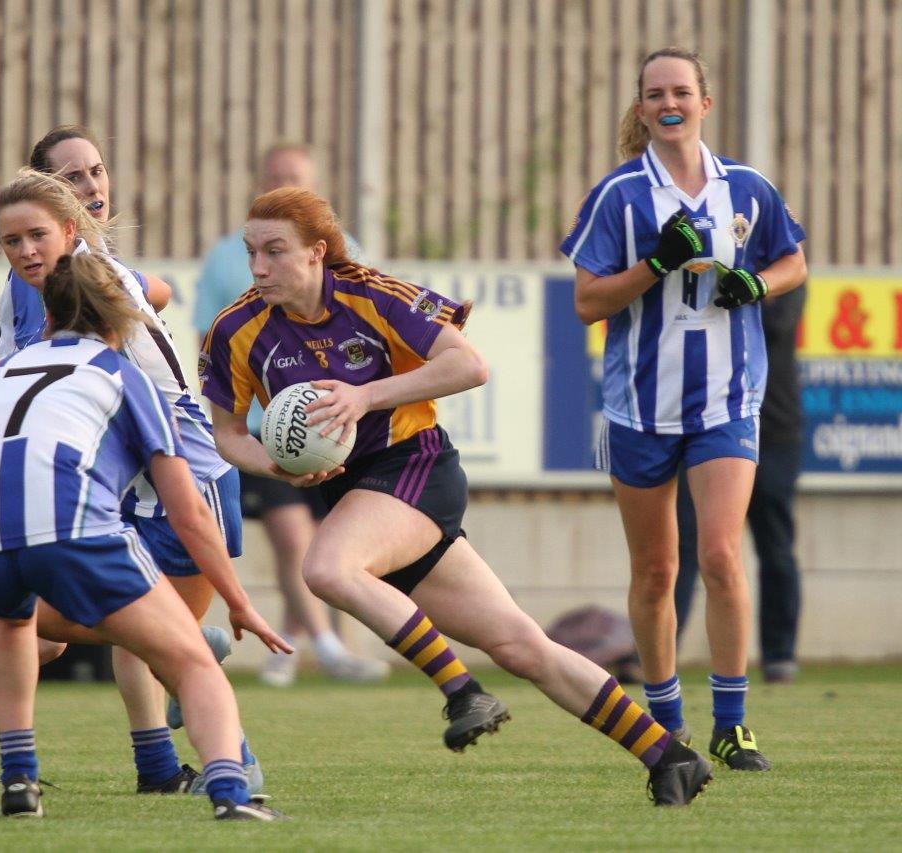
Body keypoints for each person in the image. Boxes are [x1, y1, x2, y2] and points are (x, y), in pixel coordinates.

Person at [201, 186, 712, 806]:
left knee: (327, 568)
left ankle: (462, 691)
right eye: (252, 251)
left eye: (275, 251)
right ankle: (669, 756)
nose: (258, 267)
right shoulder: (238, 329)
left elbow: (468, 366)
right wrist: (276, 467)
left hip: (415, 467)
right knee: (523, 646)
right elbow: (228, 433)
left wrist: (366, 395)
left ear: (317, 251)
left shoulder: (371, 293)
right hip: (359, 498)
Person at [0, 142, 264, 797]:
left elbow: (73, 347)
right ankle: (230, 780)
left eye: (95, 171)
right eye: (71, 177)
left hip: (169, 460)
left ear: (65, 225)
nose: (90, 186)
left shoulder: (88, 276)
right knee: (156, 639)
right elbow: (32, 371)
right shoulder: (46, 280)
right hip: (122, 465)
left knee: (79, 628)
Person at [560, 47, 807, 771]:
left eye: (680, 91)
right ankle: (666, 722)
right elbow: (586, 302)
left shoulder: (749, 188)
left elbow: (793, 260)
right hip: (640, 406)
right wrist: (655, 265)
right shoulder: (619, 197)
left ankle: (732, 721)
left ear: (705, 101)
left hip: (728, 400)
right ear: (640, 109)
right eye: (654, 93)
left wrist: (756, 286)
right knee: (656, 571)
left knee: (723, 555)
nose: (668, 102)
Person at [193, 142, 385, 687]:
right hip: (265, 428)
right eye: (277, 177)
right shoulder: (227, 257)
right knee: (291, 535)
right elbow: (207, 340)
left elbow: (375, 335)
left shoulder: (349, 254)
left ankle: (294, 642)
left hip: (340, 429)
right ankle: (323, 645)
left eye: (297, 178)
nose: (262, 267)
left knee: (333, 549)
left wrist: (361, 401)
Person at [675, 285, 807, 683]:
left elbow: (775, 324)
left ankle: (779, 655)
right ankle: (661, 651)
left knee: (775, 545)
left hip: (774, 429)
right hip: (707, 427)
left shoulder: (784, 266)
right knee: (684, 544)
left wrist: (735, 290)